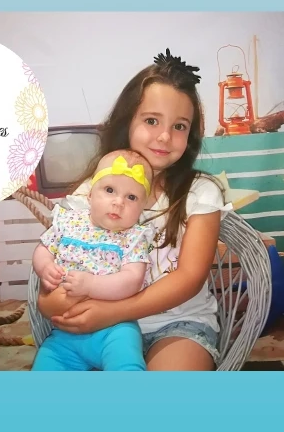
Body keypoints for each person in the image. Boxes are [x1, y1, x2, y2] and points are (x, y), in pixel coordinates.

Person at [38, 48, 231, 371]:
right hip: (99, 331)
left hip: (177, 325)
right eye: (152, 121)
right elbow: (53, 276)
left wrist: (113, 311)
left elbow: (189, 278)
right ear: (127, 121)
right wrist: (51, 301)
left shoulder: (200, 192)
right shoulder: (93, 191)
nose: (165, 136)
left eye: (180, 126)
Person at [31, 150, 154, 370]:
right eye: (109, 190)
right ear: (90, 195)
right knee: (46, 367)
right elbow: (44, 249)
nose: (118, 202)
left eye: (131, 197)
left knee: (126, 366)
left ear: (143, 206)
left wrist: (91, 285)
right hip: (65, 333)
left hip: (115, 329)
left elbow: (132, 279)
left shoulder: (133, 237)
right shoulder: (69, 222)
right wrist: (45, 267)